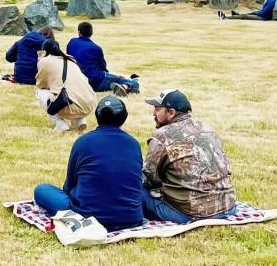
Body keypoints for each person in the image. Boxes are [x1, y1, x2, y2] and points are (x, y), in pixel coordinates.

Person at [32, 96, 145, 230]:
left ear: (97, 116)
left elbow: (69, 184)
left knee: (42, 190)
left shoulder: (83, 142)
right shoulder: (134, 144)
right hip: (131, 219)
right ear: (124, 117)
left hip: (87, 217)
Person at [141, 89, 236, 223]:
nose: (153, 114)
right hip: (228, 207)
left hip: (190, 214)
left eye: (157, 109)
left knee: (132, 186)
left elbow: (149, 180)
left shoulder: (162, 136)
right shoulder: (207, 128)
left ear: (171, 113)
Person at [35, 39, 97, 133]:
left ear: (44, 51)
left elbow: (41, 84)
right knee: (73, 92)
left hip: (69, 105)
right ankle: (79, 121)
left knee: (40, 92)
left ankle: (60, 124)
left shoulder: (45, 61)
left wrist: (40, 59)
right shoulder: (70, 59)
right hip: (89, 104)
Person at [66, 22, 139, 96]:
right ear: (91, 33)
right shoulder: (95, 48)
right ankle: (125, 86)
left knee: (117, 76)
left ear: (79, 32)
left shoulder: (71, 42)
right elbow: (102, 67)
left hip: (77, 80)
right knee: (133, 82)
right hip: (95, 81)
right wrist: (111, 75)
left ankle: (122, 80)